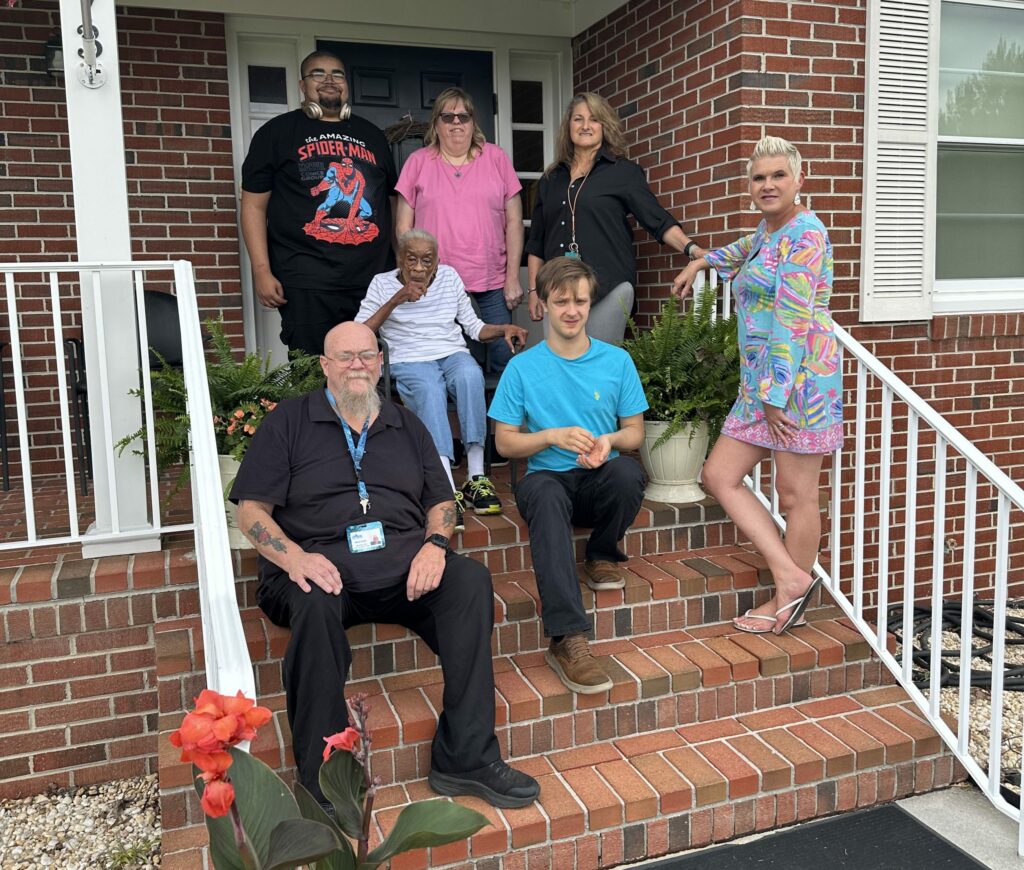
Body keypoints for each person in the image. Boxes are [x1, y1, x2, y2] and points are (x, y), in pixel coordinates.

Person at [230, 321, 539, 810]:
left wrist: (436, 544)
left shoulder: (404, 423)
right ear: (325, 367)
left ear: (380, 362)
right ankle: (324, 780)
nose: (358, 364)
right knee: (313, 605)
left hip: (402, 572)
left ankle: (466, 758)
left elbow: (443, 502)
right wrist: (295, 559)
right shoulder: (289, 422)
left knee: (469, 581)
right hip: (320, 573)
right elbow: (250, 511)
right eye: (345, 356)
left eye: (367, 355)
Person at [671, 135, 842, 636]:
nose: (767, 185)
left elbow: (791, 320)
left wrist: (773, 396)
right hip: (762, 385)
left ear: (799, 181)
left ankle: (788, 595)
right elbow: (742, 250)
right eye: (759, 178)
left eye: (778, 176)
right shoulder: (768, 231)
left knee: (794, 495)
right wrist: (703, 260)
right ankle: (793, 577)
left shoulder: (805, 235)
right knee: (719, 474)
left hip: (800, 385)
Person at [489, 258, 648, 694]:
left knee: (627, 474)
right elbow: (504, 443)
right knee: (541, 493)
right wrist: (550, 437)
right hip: (549, 482)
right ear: (542, 303)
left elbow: (634, 433)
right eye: (562, 301)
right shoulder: (522, 368)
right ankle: (567, 638)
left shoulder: (616, 361)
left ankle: (602, 553)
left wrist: (608, 442)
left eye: (580, 300)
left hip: (596, 480)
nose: (573, 310)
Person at [356, 229, 527, 527]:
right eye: (412, 259)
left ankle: (476, 477)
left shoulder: (449, 278)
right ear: (400, 259)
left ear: (437, 261)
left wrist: (502, 330)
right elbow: (361, 331)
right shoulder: (381, 284)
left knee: (470, 375)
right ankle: (445, 488)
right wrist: (397, 298)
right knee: (429, 389)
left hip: (451, 353)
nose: (420, 267)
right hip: (408, 358)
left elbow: (473, 327)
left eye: (427, 260)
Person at [241, 50, 398, 356]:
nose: (329, 80)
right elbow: (253, 206)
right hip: (306, 278)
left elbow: (390, 201)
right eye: (318, 73)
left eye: (337, 74)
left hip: (371, 279)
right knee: (311, 370)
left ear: (346, 84)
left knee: (366, 366)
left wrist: (400, 262)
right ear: (303, 85)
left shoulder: (373, 136)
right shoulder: (276, 133)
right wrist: (261, 269)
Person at [525, 92, 704, 346]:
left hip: (608, 287)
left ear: (604, 126)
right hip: (557, 290)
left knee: (601, 368)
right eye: (578, 119)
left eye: (594, 119)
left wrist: (691, 248)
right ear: (569, 127)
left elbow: (656, 219)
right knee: (560, 370)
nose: (585, 126)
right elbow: (536, 243)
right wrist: (534, 291)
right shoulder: (551, 179)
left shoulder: (623, 172)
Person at [395, 87, 524, 375]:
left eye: (463, 117)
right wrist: (410, 275)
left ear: (473, 122)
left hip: (492, 281)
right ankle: (464, 421)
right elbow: (403, 227)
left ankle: (503, 422)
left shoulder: (496, 159)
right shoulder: (418, 162)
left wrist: (513, 277)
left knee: (505, 358)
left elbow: (514, 221)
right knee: (459, 363)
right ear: (436, 124)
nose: (456, 123)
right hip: (437, 284)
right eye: (448, 116)